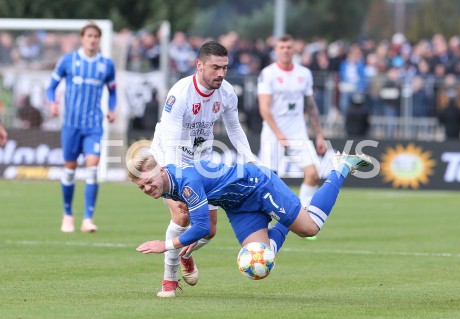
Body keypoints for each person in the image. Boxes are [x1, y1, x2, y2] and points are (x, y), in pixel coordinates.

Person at [129, 152, 373, 297]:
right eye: (142, 188)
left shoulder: (185, 181)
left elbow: (203, 228)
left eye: (149, 182)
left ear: (160, 171)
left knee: (310, 228)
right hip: (238, 206)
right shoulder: (166, 184)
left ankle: (341, 167)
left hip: (258, 185)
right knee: (261, 261)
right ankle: (287, 220)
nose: (148, 189)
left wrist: (166, 244)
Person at [150, 40, 257, 297]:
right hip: (169, 157)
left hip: (201, 160)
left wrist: (251, 158)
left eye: (225, 67)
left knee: (208, 230)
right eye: (215, 67)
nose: (221, 73)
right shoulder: (181, 93)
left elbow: (233, 128)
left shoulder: (228, 92)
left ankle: (186, 253)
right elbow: (173, 141)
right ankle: (169, 280)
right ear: (199, 65)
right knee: (182, 216)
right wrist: (179, 187)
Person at [46, 23, 117, 233]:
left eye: (96, 36)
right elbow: (51, 86)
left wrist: (112, 109)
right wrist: (53, 102)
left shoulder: (106, 64)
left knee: (92, 169)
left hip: (94, 125)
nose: (92, 39)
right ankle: (68, 215)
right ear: (82, 38)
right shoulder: (69, 60)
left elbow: (113, 92)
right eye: (89, 36)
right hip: (71, 125)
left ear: (99, 39)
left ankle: (88, 218)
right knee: (69, 170)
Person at [257, 34, 327, 229]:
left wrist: (319, 134)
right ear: (276, 50)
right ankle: (267, 223)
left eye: (289, 47)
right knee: (270, 181)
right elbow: (264, 107)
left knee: (313, 173)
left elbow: (311, 106)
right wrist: (278, 133)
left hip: (298, 132)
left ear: (294, 49)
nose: (286, 50)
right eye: (282, 47)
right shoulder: (268, 73)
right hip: (273, 133)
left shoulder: (304, 73)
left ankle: (301, 215)